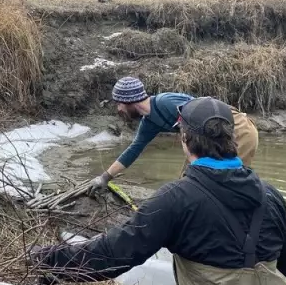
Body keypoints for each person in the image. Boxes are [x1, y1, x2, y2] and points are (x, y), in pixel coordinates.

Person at [34, 96, 286, 285]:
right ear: (231, 138)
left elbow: (111, 256)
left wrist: (45, 259)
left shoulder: (176, 198)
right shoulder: (271, 195)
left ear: (185, 140)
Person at [89, 76, 259, 195]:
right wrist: (105, 178)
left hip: (236, 129)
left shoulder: (166, 102)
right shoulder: (149, 122)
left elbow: (203, 112)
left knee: (227, 181)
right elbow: (133, 150)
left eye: (119, 104)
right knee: (188, 181)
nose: (119, 110)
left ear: (128, 101)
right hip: (209, 136)